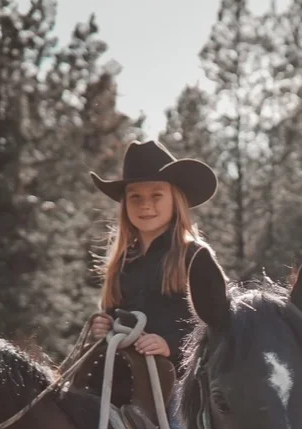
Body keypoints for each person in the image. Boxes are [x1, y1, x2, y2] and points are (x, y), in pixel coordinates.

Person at [89, 139, 217, 367]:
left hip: (179, 377)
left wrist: (170, 345)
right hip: (122, 371)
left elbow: (216, 324)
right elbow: (114, 313)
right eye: (135, 197)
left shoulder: (194, 256)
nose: (145, 205)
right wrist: (104, 326)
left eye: (156, 195)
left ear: (175, 200)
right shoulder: (122, 261)